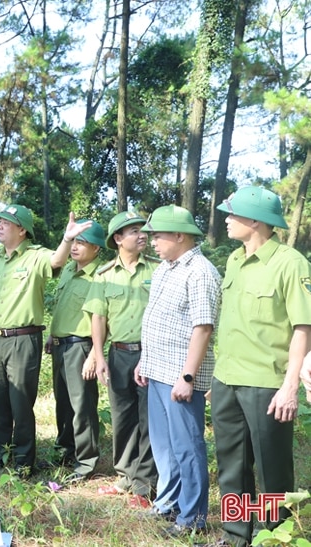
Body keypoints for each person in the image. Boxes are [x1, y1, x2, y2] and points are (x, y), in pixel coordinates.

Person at [212, 187, 311, 547]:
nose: (224, 219)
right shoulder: (234, 260)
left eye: (231, 213)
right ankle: (236, 535)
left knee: (272, 470)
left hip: (266, 385)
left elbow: (303, 327)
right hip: (227, 381)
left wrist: (289, 387)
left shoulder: (291, 263)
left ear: (254, 220)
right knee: (232, 468)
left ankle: (271, 538)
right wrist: (218, 376)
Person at [0, 206, 91, 476]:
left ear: (22, 230)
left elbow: (57, 261)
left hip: (24, 340)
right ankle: (1, 454)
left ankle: (23, 461)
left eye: (6, 222)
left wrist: (68, 238)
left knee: (21, 402)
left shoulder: (36, 256)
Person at [134, 205, 221, 539]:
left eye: (158, 235)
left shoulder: (200, 272)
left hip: (179, 377)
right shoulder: (165, 268)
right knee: (164, 446)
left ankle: (193, 517)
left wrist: (187, 377)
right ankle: (168, 503)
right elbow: (157, 319)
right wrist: (145, 360)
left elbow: (202, 328)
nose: (151, 241)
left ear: (180, 236)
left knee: (187, 447)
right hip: (156, 369)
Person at [82, 211, 159, 509]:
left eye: (142, 230)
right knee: (122, 416)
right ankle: (126, 476)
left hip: (150, 354)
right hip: (118, 354)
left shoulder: (157, 268)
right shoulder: (104, 275)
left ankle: (145, 484)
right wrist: (99, 355)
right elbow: (98, 317)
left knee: (148, 418)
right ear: (117, 239)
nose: (142, 235)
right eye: (133, 231)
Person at [46, 220, 105, 481]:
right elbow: (61, 307)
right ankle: (66, 450)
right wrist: (51, 335)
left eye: (83, 242)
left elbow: (105, 318)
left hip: (81, 346)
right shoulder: (69, 270)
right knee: (63, 404)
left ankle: (86, 461)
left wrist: (94, 353)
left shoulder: (100, 276)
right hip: (60, 345)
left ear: (97, 249)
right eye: (75, 241)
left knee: (82, 406)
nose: (76, 247)